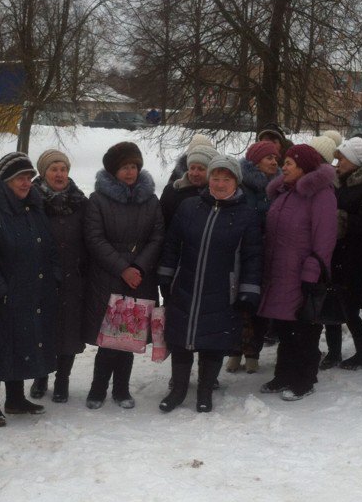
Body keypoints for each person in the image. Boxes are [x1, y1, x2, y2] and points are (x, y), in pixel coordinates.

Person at [158, 154, 262, 412]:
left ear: (236, 182)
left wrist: (248, 291)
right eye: (215, 177)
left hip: (223, 289)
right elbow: (172, 244)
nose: (220, 183)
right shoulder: (190, 206)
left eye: (226, 179)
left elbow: (252, 256)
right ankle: (179, 390)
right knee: (181, 338)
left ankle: (205, 391)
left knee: (213, 340)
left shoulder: (246, 214)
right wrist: (165, 274)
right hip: (186, 283)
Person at [0, 151, 59, 425]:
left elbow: (46, 246)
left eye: (29, 177)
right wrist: (1, 290)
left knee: (20, 344)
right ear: (5, 180)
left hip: (28, 292)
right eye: (20, 178)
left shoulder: (33, 208)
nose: (26, 183)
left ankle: (15, 399)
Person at [84, 141, 164, 409]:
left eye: (133, 166)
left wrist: (139, 267)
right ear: (113, 170)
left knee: (129, 338)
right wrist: (123, 268)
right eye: (124, 167)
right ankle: (98, 389)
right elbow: (94, 239)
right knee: (109, 339)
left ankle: (121, 389)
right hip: (110, 276)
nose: (130, 172)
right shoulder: (98, 200)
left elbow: (157, 236)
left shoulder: (150, 200)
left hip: (141, 277)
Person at [258, 143, 338, 400]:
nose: (284, 167)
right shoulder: (285, 192)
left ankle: (305, 378)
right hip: (279, 272)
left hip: (303, 274)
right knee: (283, 327)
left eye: (290, 163)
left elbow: (324, 238)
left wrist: (312, 273)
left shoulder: (321, 194)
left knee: (303, 328)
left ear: (303, 167)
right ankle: (283, 374)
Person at [320, 137, 362, 370]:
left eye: (343, 158)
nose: (338, 163)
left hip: (356, 256)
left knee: (349, 307)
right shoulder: (340, 182)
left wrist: (341, 219)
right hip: (334, 253)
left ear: (356, 161)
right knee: (330, 302)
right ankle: (334, 352)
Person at [29, 149, 87, 403]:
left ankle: (62, 380)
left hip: (73, 278)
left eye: (63, 169)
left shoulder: (80, 202)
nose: (59, 174)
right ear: (43, 173)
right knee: (42, 331)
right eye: (54, 169)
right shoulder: (31, 201)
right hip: (41, 279)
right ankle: (41, 376)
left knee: (69, 332)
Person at [227, 139, 282, 373]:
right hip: (244, 251)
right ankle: (234, 351)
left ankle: (253, 351)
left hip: (270, 252)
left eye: (275, 158)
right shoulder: (242, 185)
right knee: (240, 302)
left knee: (260, 304)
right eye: (269, 157)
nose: (274, 161)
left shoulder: (280, 185)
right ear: (255, 161)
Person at [159, 141, 216, 228]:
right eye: (192, 168)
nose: (195, 173)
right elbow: (160, 225)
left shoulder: (218, 196)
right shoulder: (171, 191)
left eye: (201, 169)